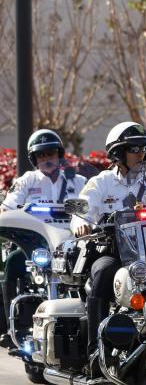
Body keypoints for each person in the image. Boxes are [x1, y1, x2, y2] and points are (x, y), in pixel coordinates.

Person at [71, 122, 146, 372]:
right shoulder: (102, 183)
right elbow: (82, 207)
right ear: (118, 154)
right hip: (113, 253)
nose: (141, 154)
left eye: (144, 149)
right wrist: (80, 224)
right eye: (134, 149)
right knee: (103, 273)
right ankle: (96, 351)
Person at [0, 129, 87, 347]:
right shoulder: (27, 181)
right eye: (41, 155)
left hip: (71, 245)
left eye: (50, 153)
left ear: (59, 154)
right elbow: (7, 207)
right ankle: (10, 326)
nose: (46, 159)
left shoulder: (79, 182)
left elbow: (93, 210)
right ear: (34, 159)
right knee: (12, 262)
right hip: (34, 246)